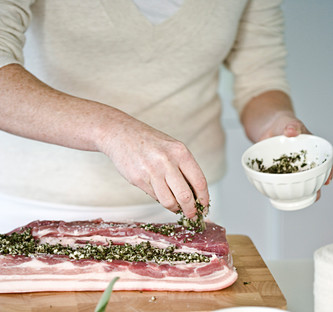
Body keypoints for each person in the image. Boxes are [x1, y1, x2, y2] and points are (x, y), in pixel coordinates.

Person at [0, 0, 324, 233]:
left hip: (182, 207)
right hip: (37, 211)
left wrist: (277, 123)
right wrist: (113, 131)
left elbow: (260, 79)